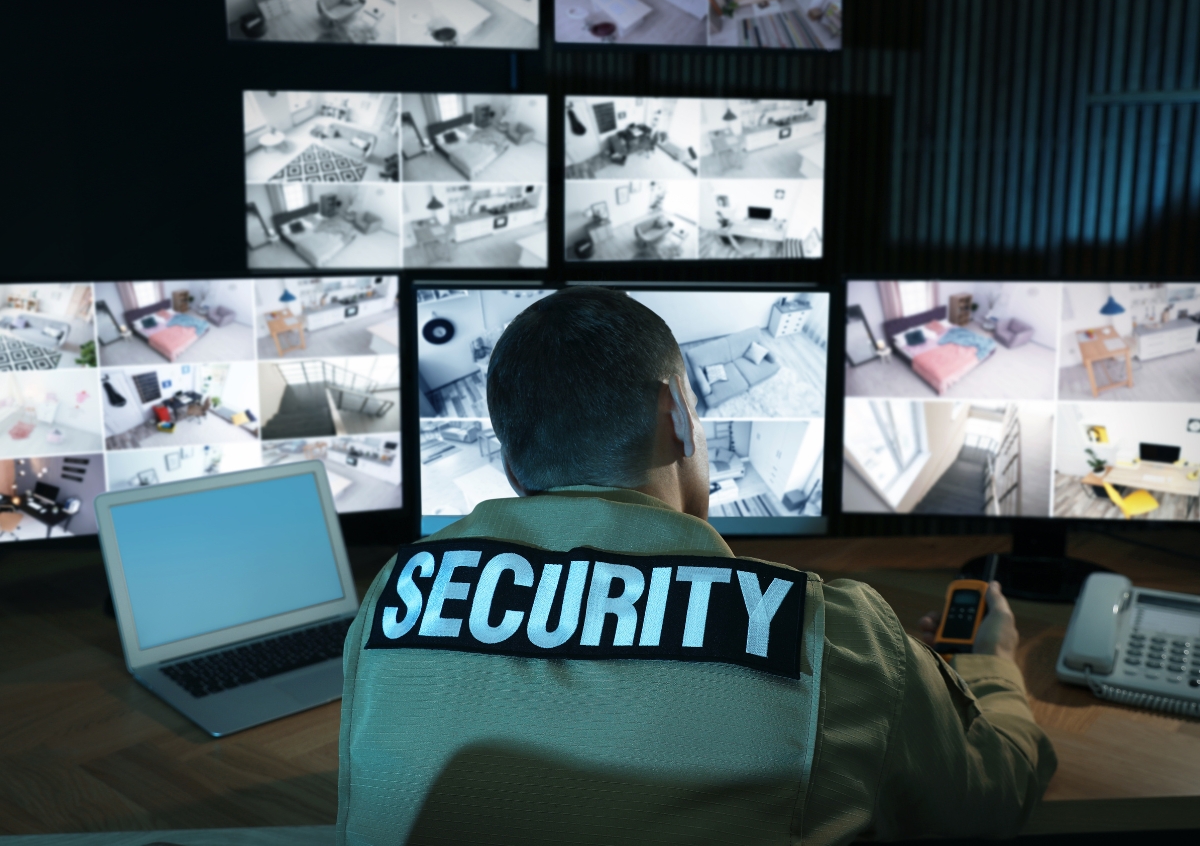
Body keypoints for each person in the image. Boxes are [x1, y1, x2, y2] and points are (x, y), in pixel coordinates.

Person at [337, 287, 1056, 845]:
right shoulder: (831, 635)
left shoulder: (393, 596)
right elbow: (991, 798)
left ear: (512, 465)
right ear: (679, 414)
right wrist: (992, 666)